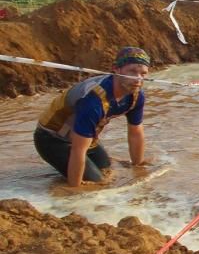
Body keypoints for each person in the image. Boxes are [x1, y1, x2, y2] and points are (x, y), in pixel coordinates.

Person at [34, 47, 150, 188]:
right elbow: (78, 149)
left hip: (84, 136)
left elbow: (136, 132)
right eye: (132, 71)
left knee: (107, 170)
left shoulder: (137, 96)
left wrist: (138, 169)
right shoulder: (93, 101)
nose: (138, 79)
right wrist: (74, 191)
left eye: (143, 74)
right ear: (116, 69)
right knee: (96, 184)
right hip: (52, 138)